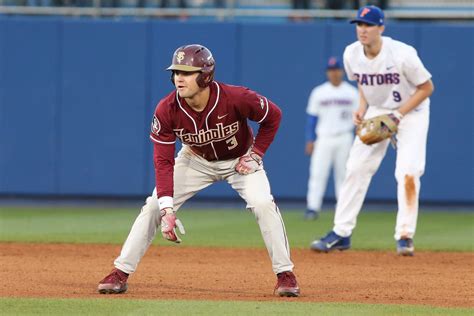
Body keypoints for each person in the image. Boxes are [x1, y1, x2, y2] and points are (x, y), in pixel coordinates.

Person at [97, 44, 300, 297]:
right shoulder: (167, 109)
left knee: (263, 203)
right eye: (175, 72)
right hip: (195, 159)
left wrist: (257, 153)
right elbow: (163, 161)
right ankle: (120, 272)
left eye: (186, 72)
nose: (178, 78)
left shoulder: (237, 97)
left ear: (205, 75)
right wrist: (167, 208)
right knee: (153, 207)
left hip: (239, 161)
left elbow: (274, 116)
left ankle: (285, 274)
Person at [310, 5, 434, 256]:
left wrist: (398, 115)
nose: (362, 30)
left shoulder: (402, 54)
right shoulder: (351, 54)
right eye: (359, 24)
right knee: (355, 168)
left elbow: (427, 87)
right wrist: (362, 107)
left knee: (408, 173)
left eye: (368, 25)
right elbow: (362, 85)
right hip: (377, 110)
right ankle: (341, 233)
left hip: (411, 112)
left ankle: (405, 236)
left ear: (381, 28)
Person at [304, 57, 358, 220]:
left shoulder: (352, 92)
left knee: (343, 175)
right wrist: (310, 139)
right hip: (324, 137)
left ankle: (342, 209)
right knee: (317, 173)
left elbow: (359, 118)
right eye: (331, 70)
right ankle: (312, 208)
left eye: (336, 70)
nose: (334, 73)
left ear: (342, 71)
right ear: (328, 72)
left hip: (345, 136)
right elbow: (312, 118)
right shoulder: (319, 92)